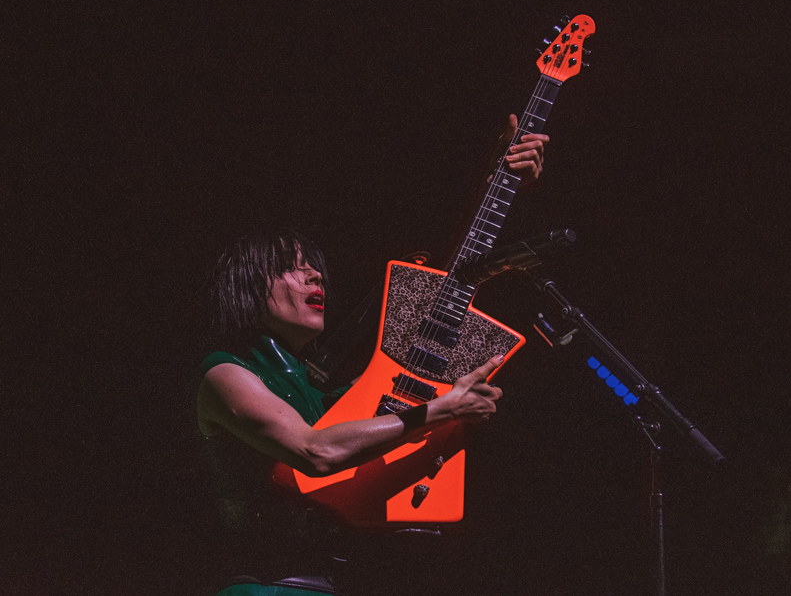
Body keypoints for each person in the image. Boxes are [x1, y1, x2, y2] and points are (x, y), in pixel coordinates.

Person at [196, 116, 548, 595]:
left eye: (315, 270)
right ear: (247, 288)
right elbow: (315, 452)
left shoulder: (315, 385)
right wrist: (443, 408)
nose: (315, 278)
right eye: (293, 270)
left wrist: (498, 182)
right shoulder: (223, 373)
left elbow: (443, 295)